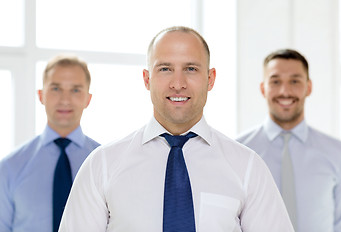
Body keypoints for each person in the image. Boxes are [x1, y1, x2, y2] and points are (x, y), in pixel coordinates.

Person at [59, 26, 294, 232]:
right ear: (147, 79)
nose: (178, 83)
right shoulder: (101, 166)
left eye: (191, 69)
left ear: (210, 79)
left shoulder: (247, 167)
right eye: (165, 69)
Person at [237, 49, 341, 232]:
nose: (285, 91)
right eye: (275, 81)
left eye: (295, 81)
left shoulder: (339, 154)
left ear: (309, 87)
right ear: (263, 88)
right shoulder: (238, 151)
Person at [0, 55, 100, 232]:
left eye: (76, 90)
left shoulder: (105, 163)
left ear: (88, 99)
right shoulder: (9, 168)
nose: (65, 100)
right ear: (41, 95)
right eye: (55, 88)